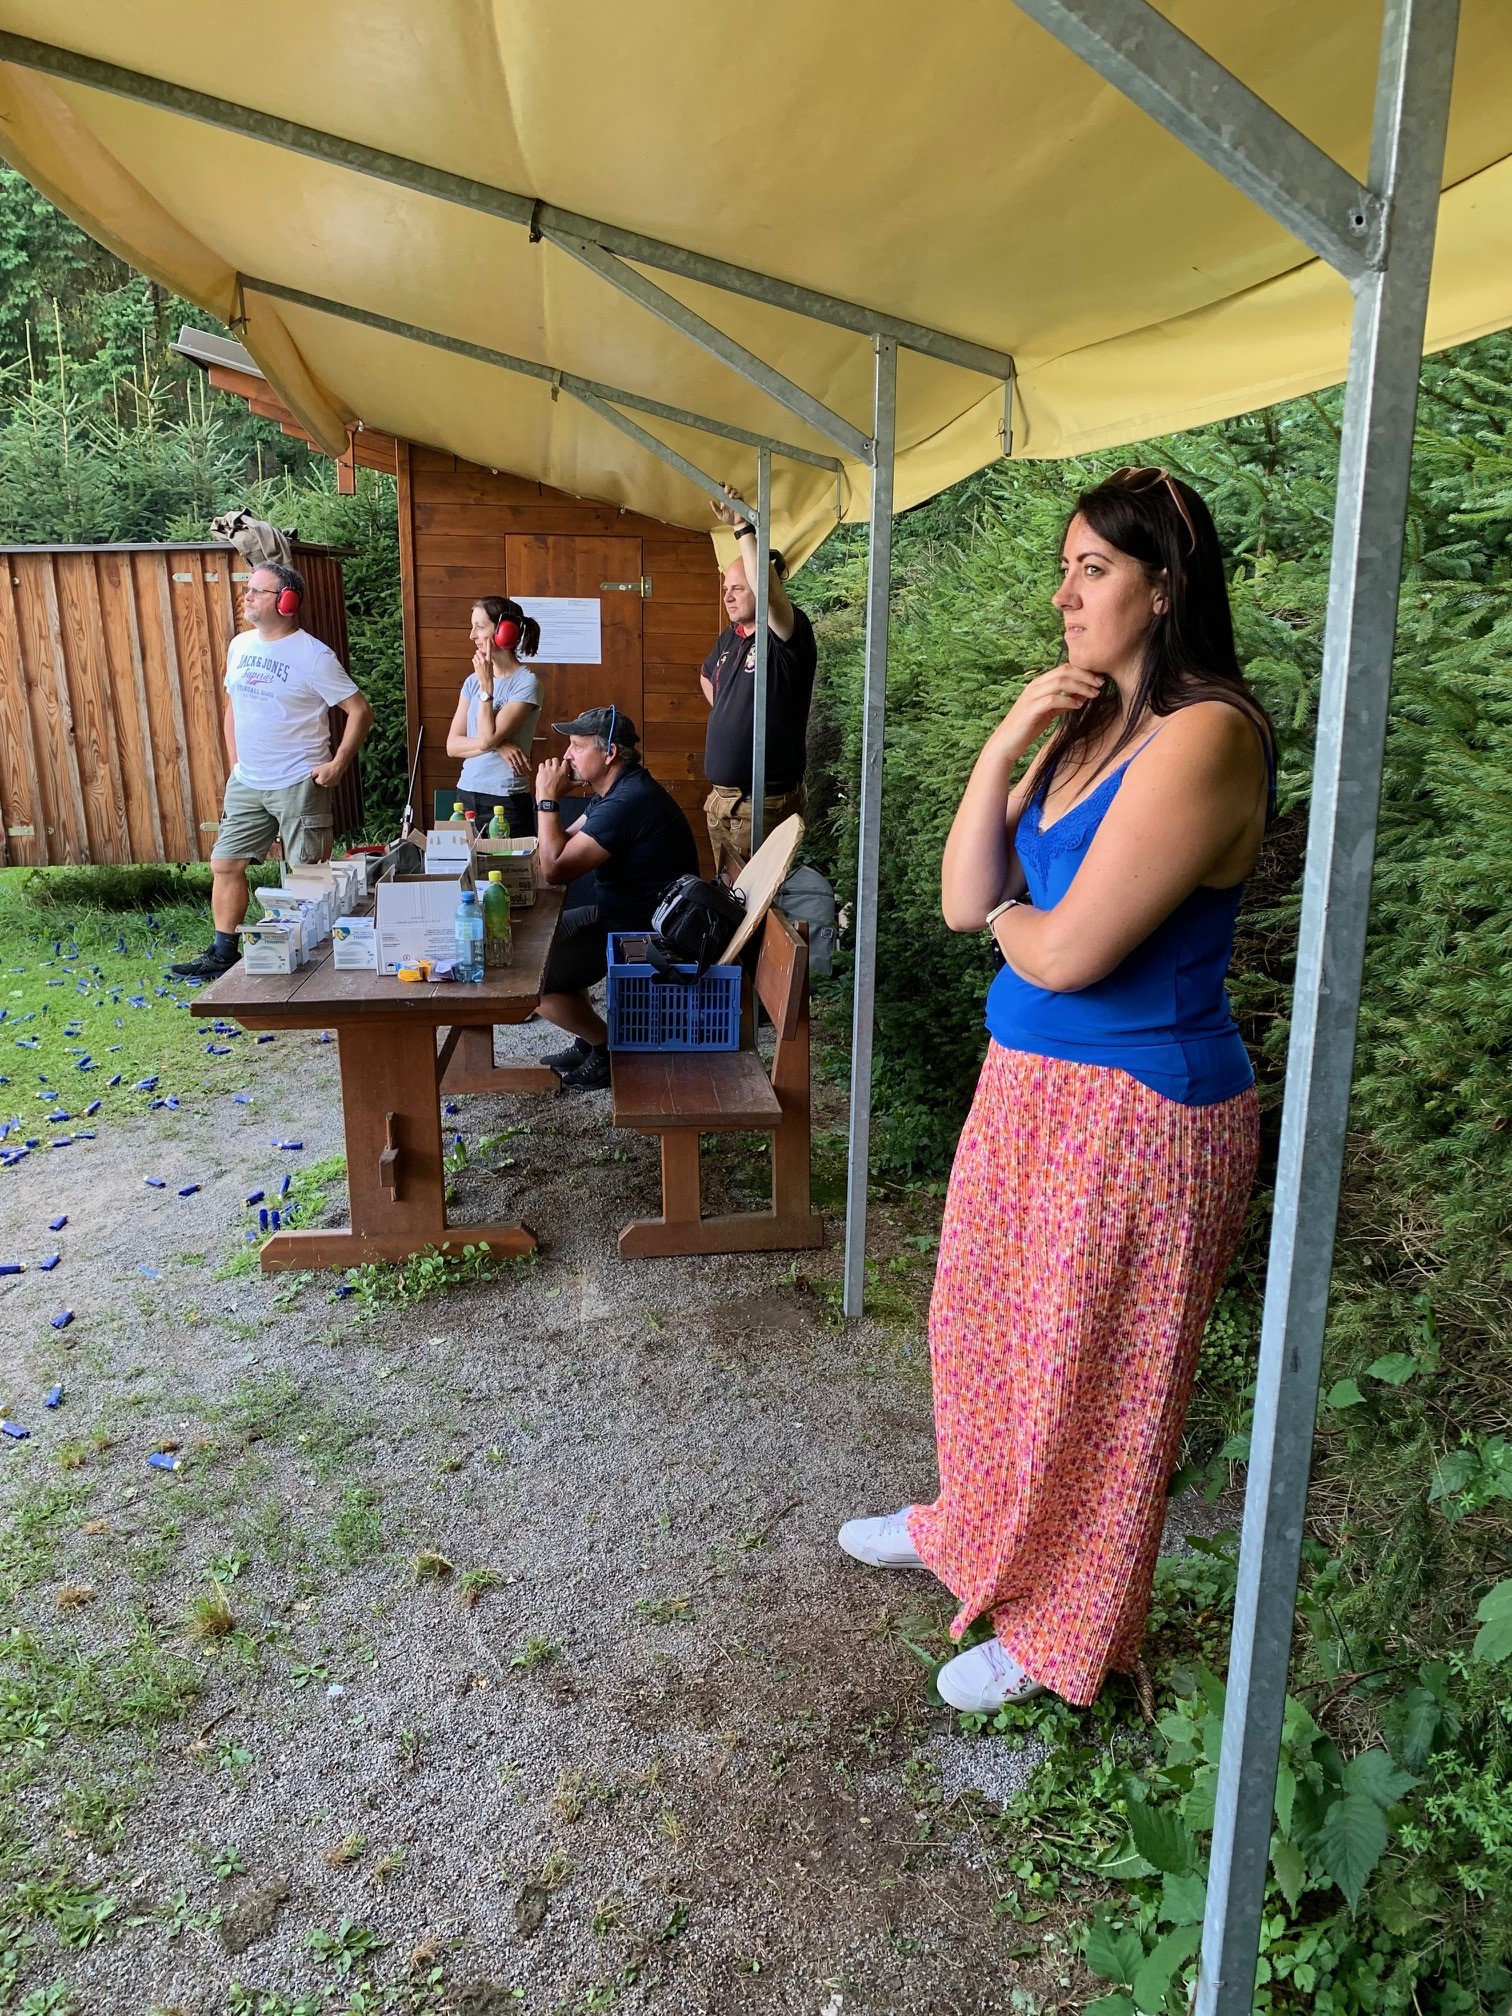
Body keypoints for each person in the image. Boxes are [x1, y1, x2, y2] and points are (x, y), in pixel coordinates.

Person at [838, 468, 1274, 1715]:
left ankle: (1062, 1636)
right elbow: (961, 897)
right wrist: (1003, 743)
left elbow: (1069, 950)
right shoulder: (1088, 728)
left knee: (1094, 1378)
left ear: (1165, 587)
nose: (1064, 596)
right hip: (1028, 1084)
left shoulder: (1208, 735)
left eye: (1093, 569)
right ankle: (968, 1531)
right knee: (980, 1330)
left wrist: (1014, 920)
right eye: (1065, 569)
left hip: (1141, 1106)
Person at [171, 562, 372, 980]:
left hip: (299, 781)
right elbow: (232, 708)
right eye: (248, 589)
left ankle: (317, 958)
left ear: (287, 602)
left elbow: (359, 711)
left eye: (258, 591)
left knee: (308, 874)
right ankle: (223, 952)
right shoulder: (241, 645)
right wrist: (235, 764)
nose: (247, 596)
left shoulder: (314, 656)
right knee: (224, 864)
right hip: (248, 780)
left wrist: (337, 764)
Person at [531, 706, 698, 1090]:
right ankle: (588, 1038)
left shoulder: (628, 801)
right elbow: (562, 844)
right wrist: (550, 809)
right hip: (621, 914)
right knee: (541, 942)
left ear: (609, 753)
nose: (567, 755)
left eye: (577, 746)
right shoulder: (615, 791)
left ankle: (608, 1048)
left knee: (531, 980)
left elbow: (554, 867)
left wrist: (546, 799)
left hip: (643, 933)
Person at [702, 483, 817, 867]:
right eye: (726, 588)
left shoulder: (786, 634)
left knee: (756, 901)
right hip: (722, 801)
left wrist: (743, 527)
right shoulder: (731, 637)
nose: (727, 596)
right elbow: (706, 677)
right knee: (726, 896)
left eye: (738, 587)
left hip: (762, 804)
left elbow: (769, 593)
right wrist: (731, 712)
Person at [446, 596, 544, 837]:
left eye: (480, 627)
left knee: (509, 863)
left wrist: (487, 687)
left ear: (505, 631)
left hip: (505, 798)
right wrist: (499, 745)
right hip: (466, 793)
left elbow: (487, 738)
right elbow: (452, 746)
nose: (472, 635)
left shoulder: (526, 683)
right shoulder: (472, 682)